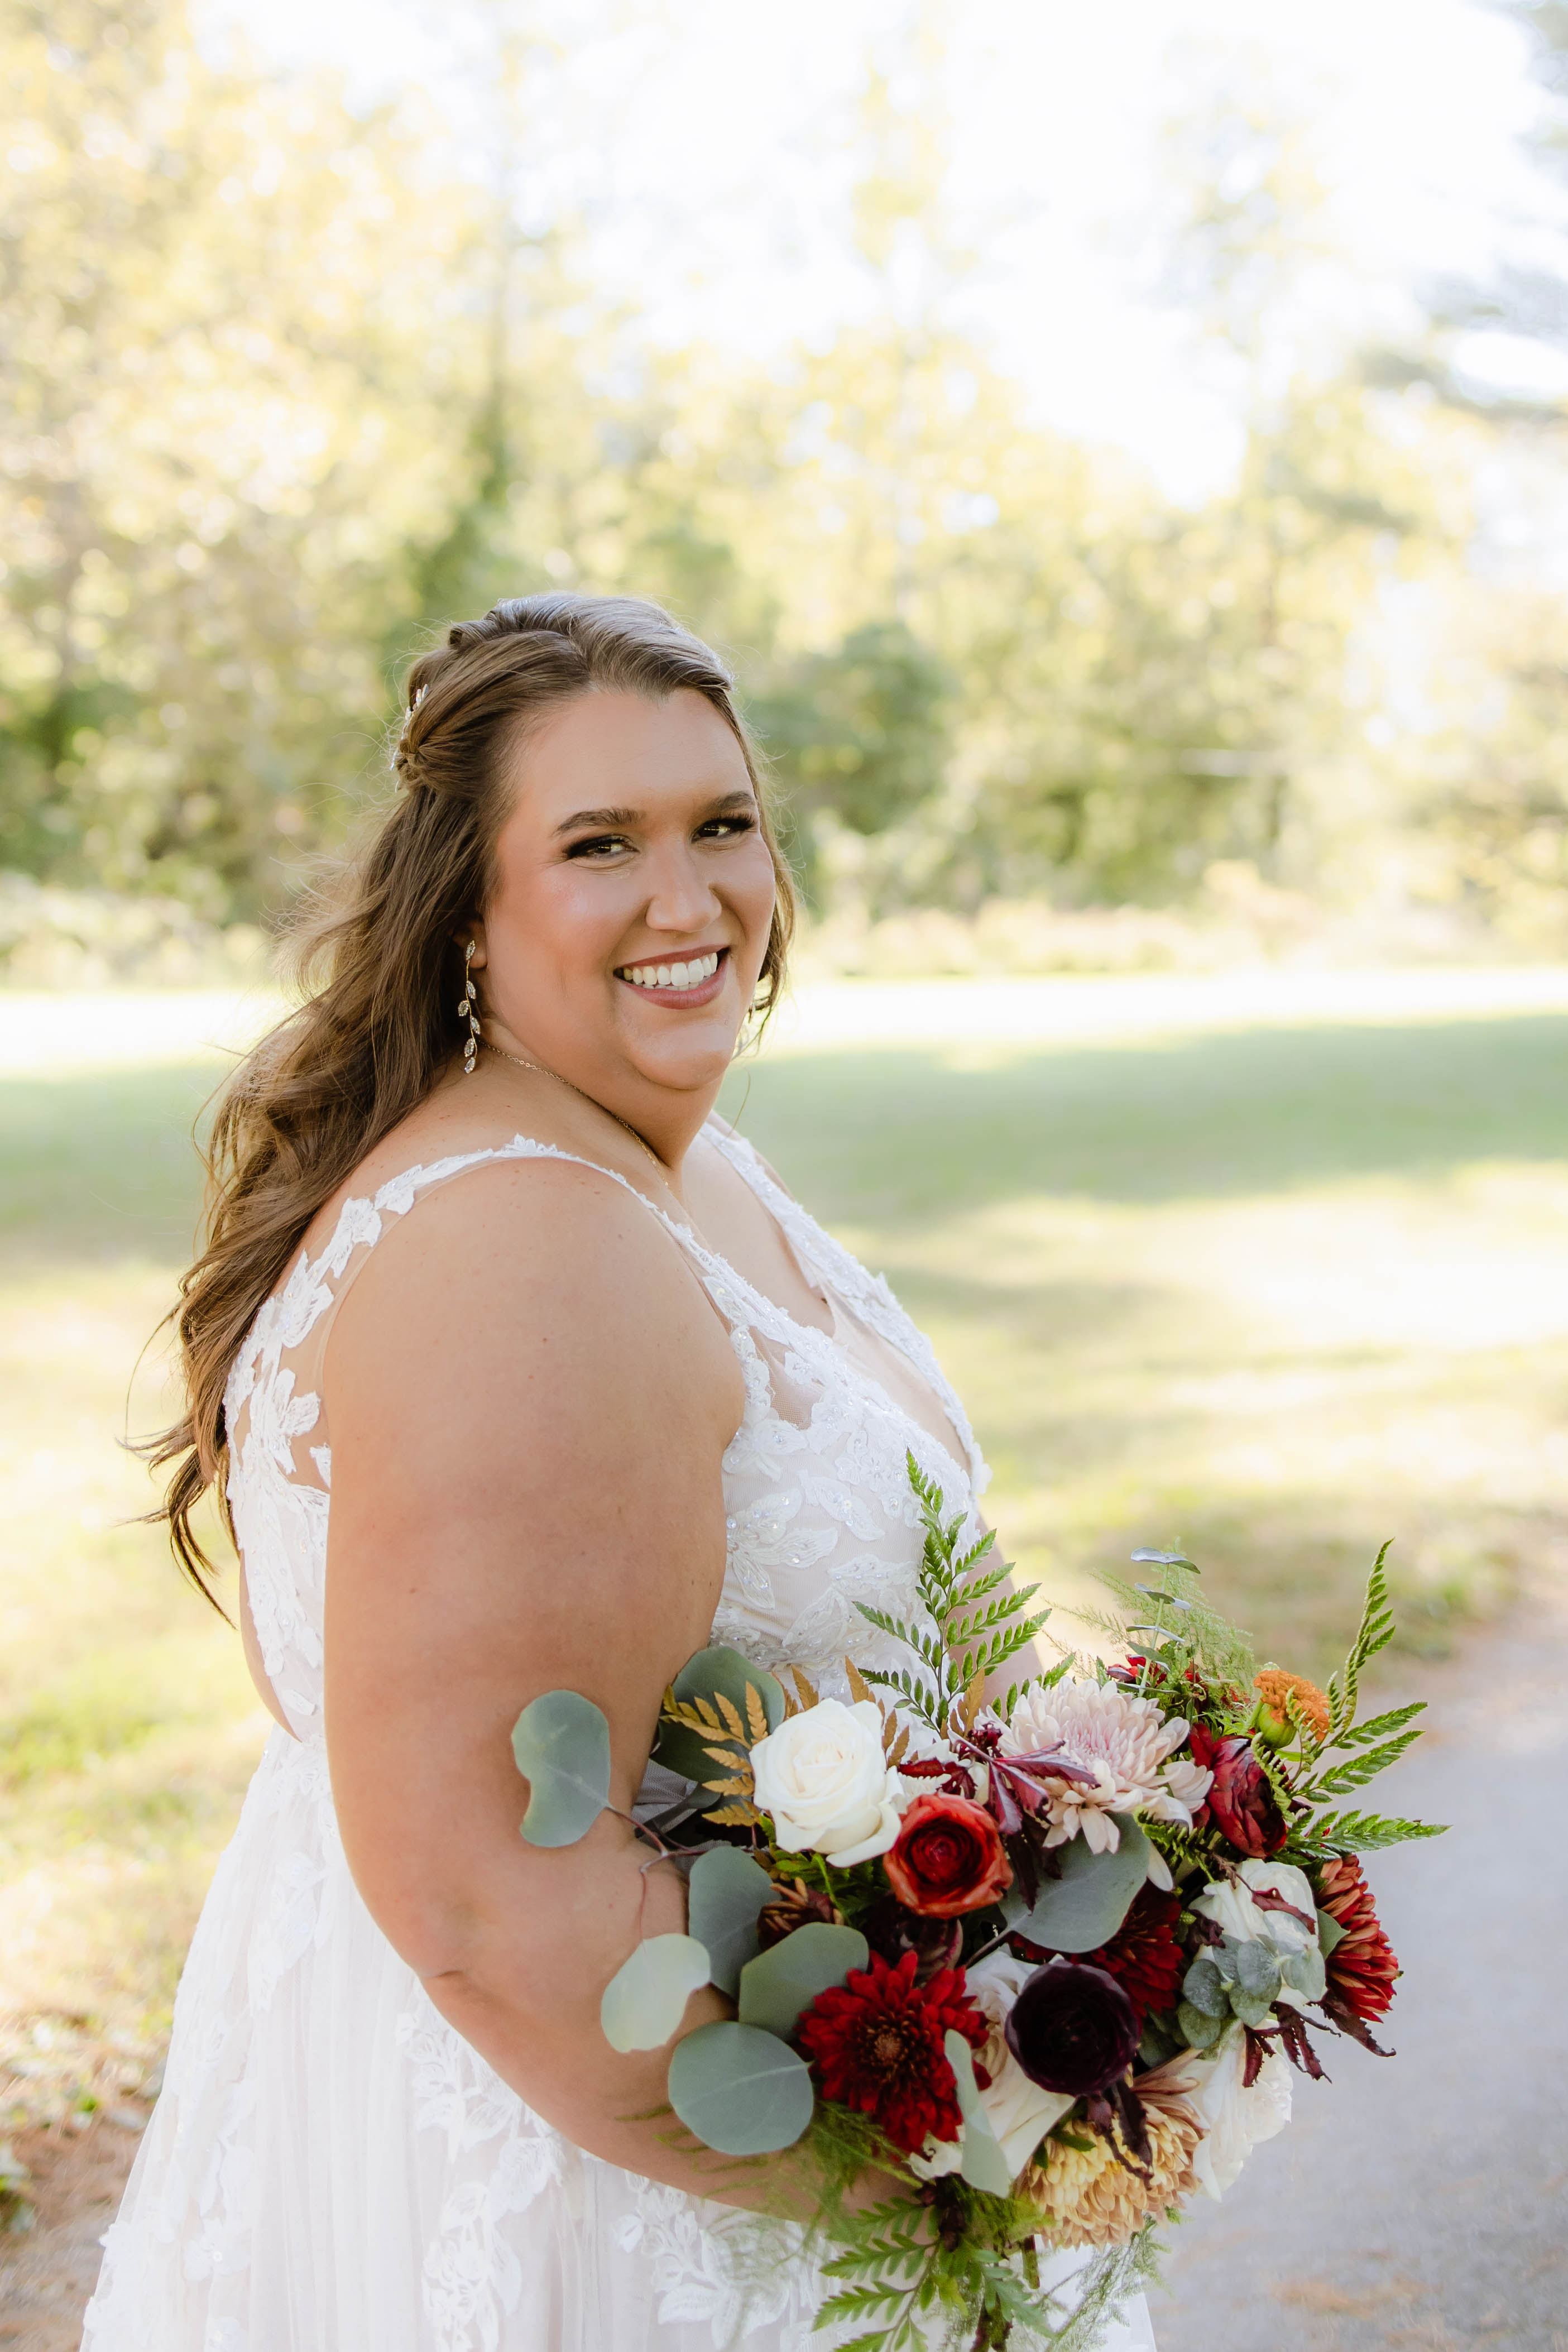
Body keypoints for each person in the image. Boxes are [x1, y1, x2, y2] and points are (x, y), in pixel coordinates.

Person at [84, 594, 1155, 2350]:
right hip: (615, 2182)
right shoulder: (523, 1246)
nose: (689, 898)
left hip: (749, 2067)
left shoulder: (669, 1158)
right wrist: (952, 2171)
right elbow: (492, 1901)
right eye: (601, 845)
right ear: (468, 907)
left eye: (721, 825)